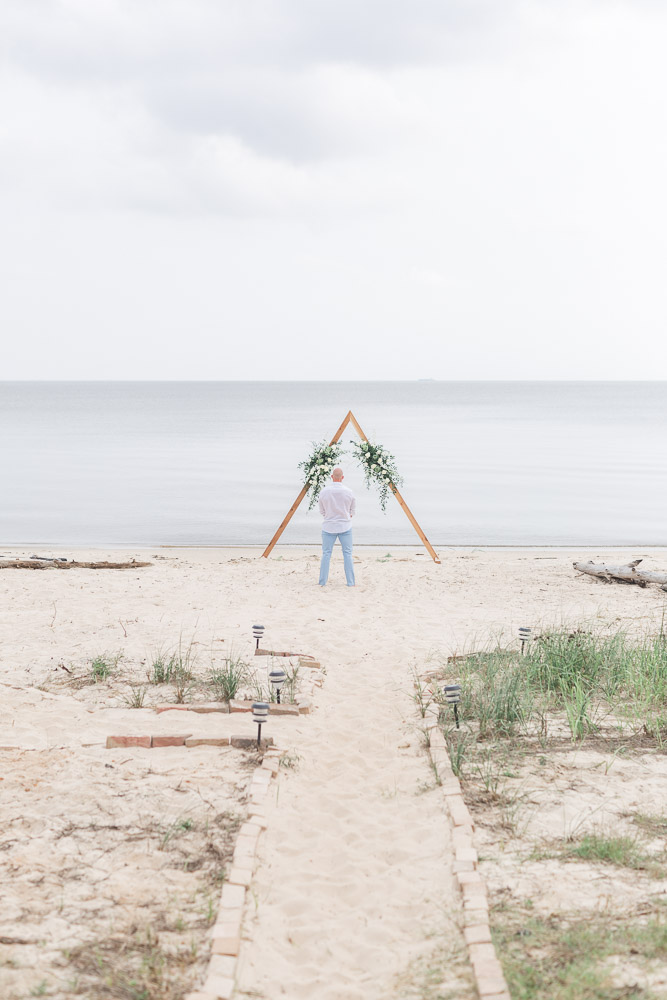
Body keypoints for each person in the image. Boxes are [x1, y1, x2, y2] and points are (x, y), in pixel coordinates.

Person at [318, 467, 356, 586]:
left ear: (332, 477)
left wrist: (329, 516)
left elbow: (322, 511)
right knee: (347, 554)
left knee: (326, 554)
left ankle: (322, 582)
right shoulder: (349, 491)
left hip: (328, 526)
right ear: (342, 477)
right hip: (345, 526)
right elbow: (352, 511)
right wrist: (345, 516)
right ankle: (350, 582)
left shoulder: (324, 491)